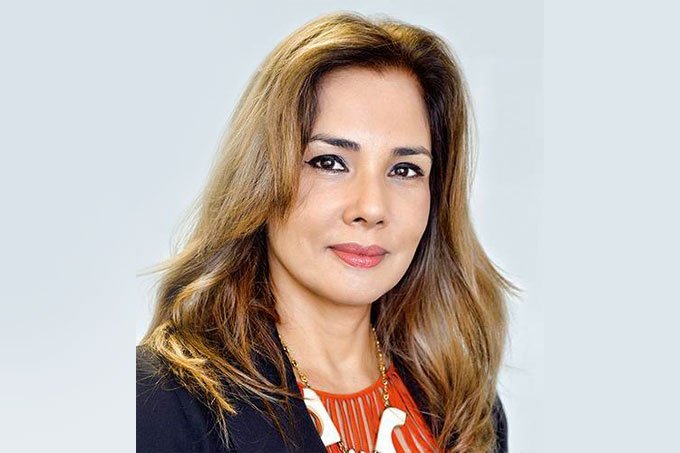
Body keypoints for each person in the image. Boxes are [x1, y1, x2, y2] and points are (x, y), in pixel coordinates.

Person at [137, 11, 517, 453]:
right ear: (262, 178)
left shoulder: (467, 408)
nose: (371, 208)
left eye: (405, 169)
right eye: (330, 162)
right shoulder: (162, 400)